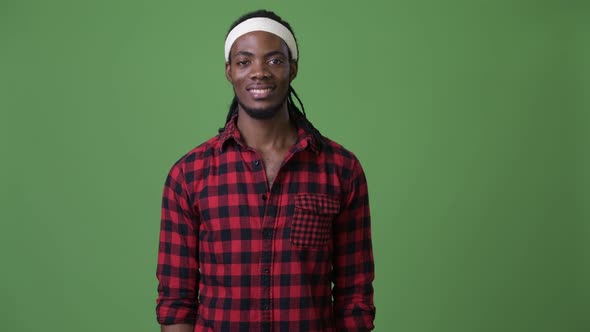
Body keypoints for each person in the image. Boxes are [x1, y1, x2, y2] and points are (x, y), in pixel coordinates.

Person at [156, 9, 375, 332]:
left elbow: (354, 297)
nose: (259, 72)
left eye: (274, 60)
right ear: (229, 71)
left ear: (293, 68)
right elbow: (176, 302)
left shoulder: (341, 169)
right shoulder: (189, 175)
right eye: (244, 62)